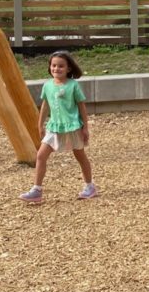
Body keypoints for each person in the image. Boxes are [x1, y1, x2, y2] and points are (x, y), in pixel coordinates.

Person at [18, 51, 97, 203]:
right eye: (53, 65)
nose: (56, 69)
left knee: (80, 156)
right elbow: (45, 105)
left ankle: (90, 186)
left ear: (68, 68)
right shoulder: (47, 85)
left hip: (72, 126)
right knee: (41, 155)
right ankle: (37, 190)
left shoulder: (73, 85)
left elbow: (81, 106)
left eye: (61, 66)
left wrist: (85, 127)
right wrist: (40, 124)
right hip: (54, 127)